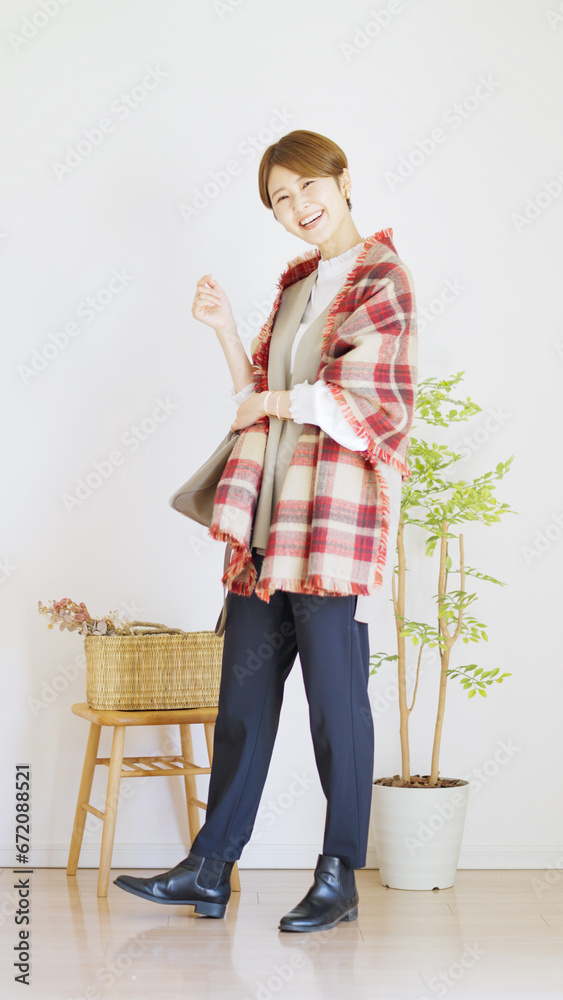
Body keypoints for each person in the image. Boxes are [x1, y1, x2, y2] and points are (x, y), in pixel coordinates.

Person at [114, 129, 418, 932]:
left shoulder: (383, 277)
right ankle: (209, 868)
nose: (297, 206)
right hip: (266, 521)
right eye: (280, 198)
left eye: (306, 186)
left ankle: (337, 875)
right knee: (242, 700)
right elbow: (258, 399)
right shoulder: (296, 287)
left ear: (343, 179)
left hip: (329, 527)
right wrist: (224, 329)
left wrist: (276, 401)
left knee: (334, 706)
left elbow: (371, 406)